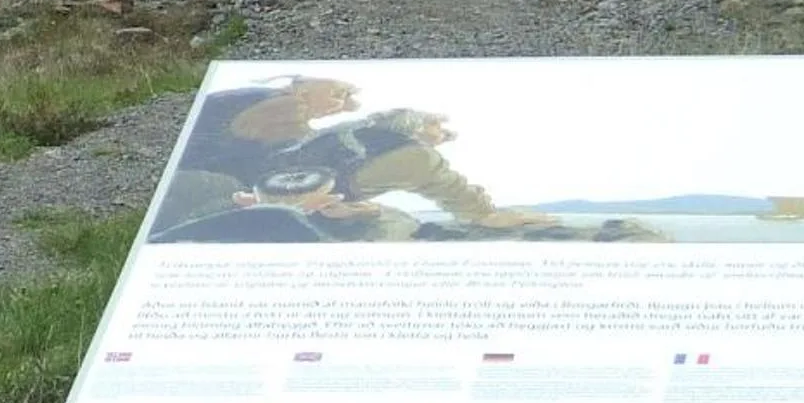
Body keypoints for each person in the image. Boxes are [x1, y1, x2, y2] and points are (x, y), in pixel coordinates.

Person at [152, 76, 562, 241]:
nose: (346, 104)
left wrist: (342, 209)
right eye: (340, 94)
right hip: (204, 188)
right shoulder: (281, 108)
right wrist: (481, 213)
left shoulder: (321, 136)